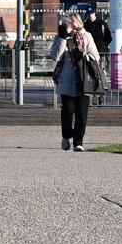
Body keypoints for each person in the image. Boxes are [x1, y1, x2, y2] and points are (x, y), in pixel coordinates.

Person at [49, 11, 101, 152]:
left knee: (81, 114)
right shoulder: (60, 38)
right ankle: (66, 135)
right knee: (67, 111)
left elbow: (95, 57)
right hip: (66, 80)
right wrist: (62, 39)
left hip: (83, 80)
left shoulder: (86, 36)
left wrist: (83, 55)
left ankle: (78, 142)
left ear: (74, 24)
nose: (64, 26)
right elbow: (55, 56)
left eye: (67, 24)